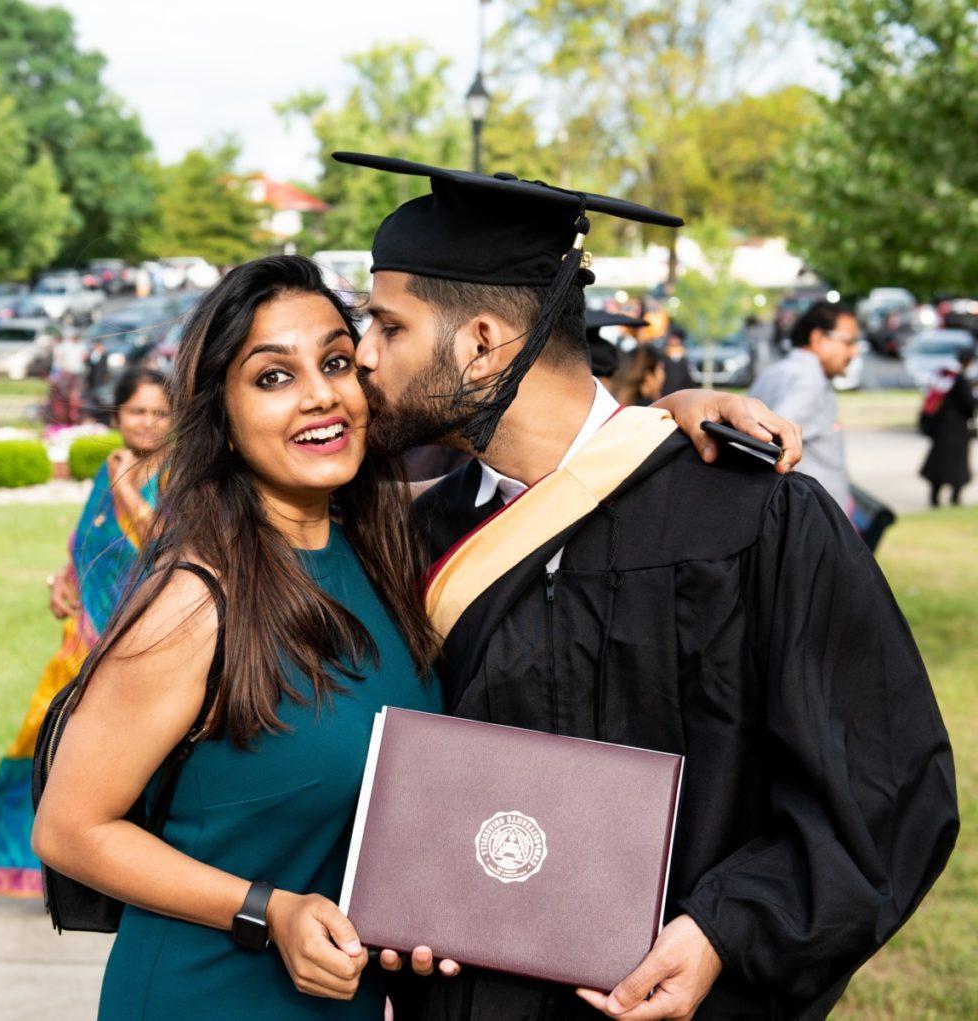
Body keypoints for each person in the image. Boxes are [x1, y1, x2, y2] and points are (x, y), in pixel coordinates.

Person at [335, 153, 958, 1021]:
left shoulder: (751, 521)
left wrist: (726, 931)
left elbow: (884, 785)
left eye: (387, 328)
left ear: (482, 343)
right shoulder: (414, 537)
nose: (362, 356)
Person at [32, 256, 443, 1020]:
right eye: (272, 377)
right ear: (220, 415)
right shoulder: (194, 602)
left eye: (336, 361)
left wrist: (670, 419)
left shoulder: (381, 549)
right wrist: (267, 909)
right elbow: (68, 827)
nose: (321, 394)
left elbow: (545, 479)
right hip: (210, 989)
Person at [0, 368, 171, 897]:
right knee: (40, 744)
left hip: (136, 647)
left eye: (160, 412)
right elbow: (86, 545)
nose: (148, 423)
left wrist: (130, 490)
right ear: (118, 415)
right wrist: (59, 583)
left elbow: (172, 551)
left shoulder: (180, 476)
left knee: (115, 766)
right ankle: (34, 868)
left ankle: (110, 874)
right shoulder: (105, 473)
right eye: (137, 412)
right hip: (79, 644)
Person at [748, 300, 859, 514]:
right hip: (814, 519)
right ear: (818, 338)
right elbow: (768, 438)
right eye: (848, 342)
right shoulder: (810, 381)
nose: (853, 352)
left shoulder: (776, 371)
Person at [920, 348, 976, 506]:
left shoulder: (945, 376)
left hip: (941, 429)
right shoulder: (960, 380)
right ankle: (955, 498)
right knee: (956, 468)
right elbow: (968, 403)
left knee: (938, 467)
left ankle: (935, 498)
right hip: (956, 431)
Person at [661, 325, 696, 396]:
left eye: (675, 338)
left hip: (681, 392)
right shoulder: (663, 355)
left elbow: (687, 376)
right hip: (665, 391)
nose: (672, 340)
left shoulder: (684, 356)